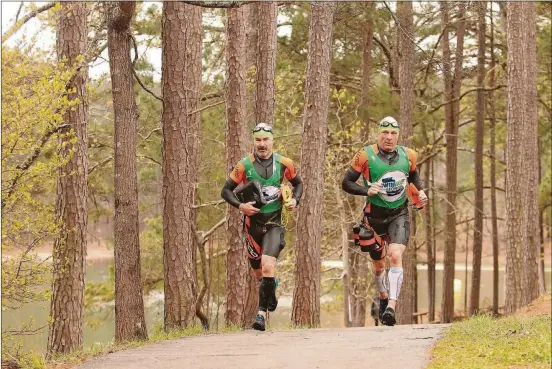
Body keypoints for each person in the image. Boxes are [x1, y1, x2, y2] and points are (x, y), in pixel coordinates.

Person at [341, 116, 427, 326]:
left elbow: (413, 176)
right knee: (379, 266)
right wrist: (366, 190)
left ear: (398, 135)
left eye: (393, 134)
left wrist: (421, 191)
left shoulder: (409, 155)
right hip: (373, 218)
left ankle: (391, 307)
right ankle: (382, 295)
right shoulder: (365, 155)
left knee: (395, 255)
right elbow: (346, 183)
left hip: (399, 214)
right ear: (378, 134)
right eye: (385, 133)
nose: (389, 138)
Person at [221, 123, 303, 331]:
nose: (262, 144)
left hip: (274, 223)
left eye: (265, 140)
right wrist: (241, 206)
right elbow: (226, 190)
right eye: (258, 140)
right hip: (252, 226)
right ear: (254, 141)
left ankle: (260, 315)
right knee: (260, 274)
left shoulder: (285, 163)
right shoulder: (244, 165)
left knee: (268, 265)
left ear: (272, 141)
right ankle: (271, 287)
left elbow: (299, 184)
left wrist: (295, 201)